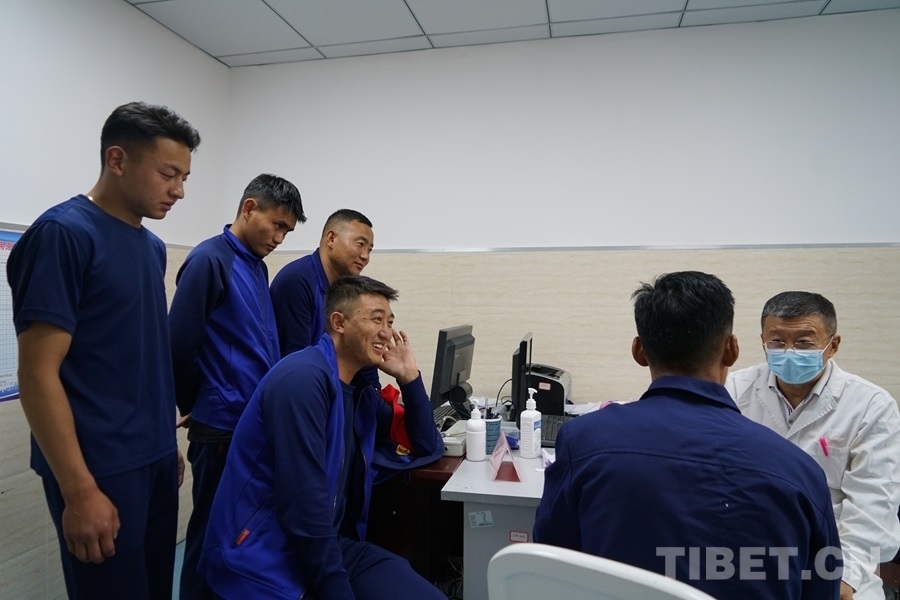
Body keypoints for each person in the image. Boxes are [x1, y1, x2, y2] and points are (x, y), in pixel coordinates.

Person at [534, 271, 842, 599]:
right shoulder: (800, 471)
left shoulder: (584, 441)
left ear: (639, 351)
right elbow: (823, 584)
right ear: (731, 350)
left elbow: (549, 561)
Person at [6, 101, 201, 599]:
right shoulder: (64, 235)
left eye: (184, 178)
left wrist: (164, 446)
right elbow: (38, 375)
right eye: (168, 174)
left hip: (153, 459)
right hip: (99, 467)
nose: (179, 191)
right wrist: (79, 490)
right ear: (117, 160)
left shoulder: (151, 247)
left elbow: (141, 356)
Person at [199, 275, 444, 599]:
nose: (387, 332)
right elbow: (303, 508)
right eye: (376, 319)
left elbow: (427, 444)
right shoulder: (302, 380)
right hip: (260, 555)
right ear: (339, 323)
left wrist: (409, 378)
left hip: (326, 544)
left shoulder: (359, 392)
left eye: (390, 321)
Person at [169, 173, 306, 600]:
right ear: (249, 208)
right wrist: (194, 402)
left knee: (236, 532)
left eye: (287, 231)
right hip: (220, 425)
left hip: (249, 421)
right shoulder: (209, 259)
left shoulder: (257, 265)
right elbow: (179, 343)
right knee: (210, 531)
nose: (279, 238)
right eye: (277, 225)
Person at [726, 291, 900, 600]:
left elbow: (874, 505)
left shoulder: (871, 405)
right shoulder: (733, 391)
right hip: (747, 556)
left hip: (835, 556)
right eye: (777, 342)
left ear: (833, 345)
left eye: (805, 343)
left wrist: (845, 578)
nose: (789, 352)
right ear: (762, 341)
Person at [270, 208, 374, 356]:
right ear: (331, 239)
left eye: (369, 250)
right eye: (360, 244)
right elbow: (297, 360)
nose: (365, 256)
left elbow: (354, 351)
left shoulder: (348, 289)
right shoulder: (296, 281)